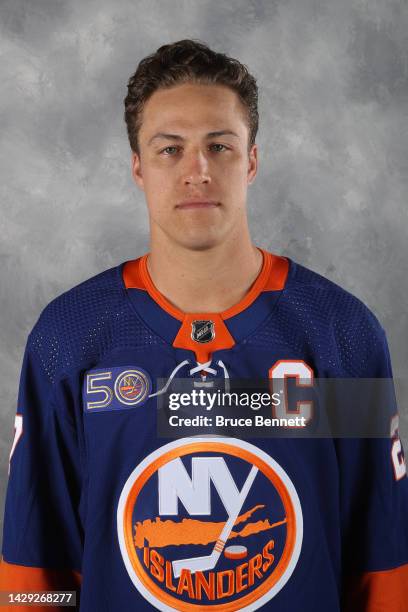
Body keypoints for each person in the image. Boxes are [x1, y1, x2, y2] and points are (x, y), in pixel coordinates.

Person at [0, 38, 407, 612]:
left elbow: (382, 566)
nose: (197, 171)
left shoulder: (341, 334)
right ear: (138, 167)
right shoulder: (71, 338)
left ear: (253, 160)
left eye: (220, 146)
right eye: (170, 150)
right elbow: (32, 572)